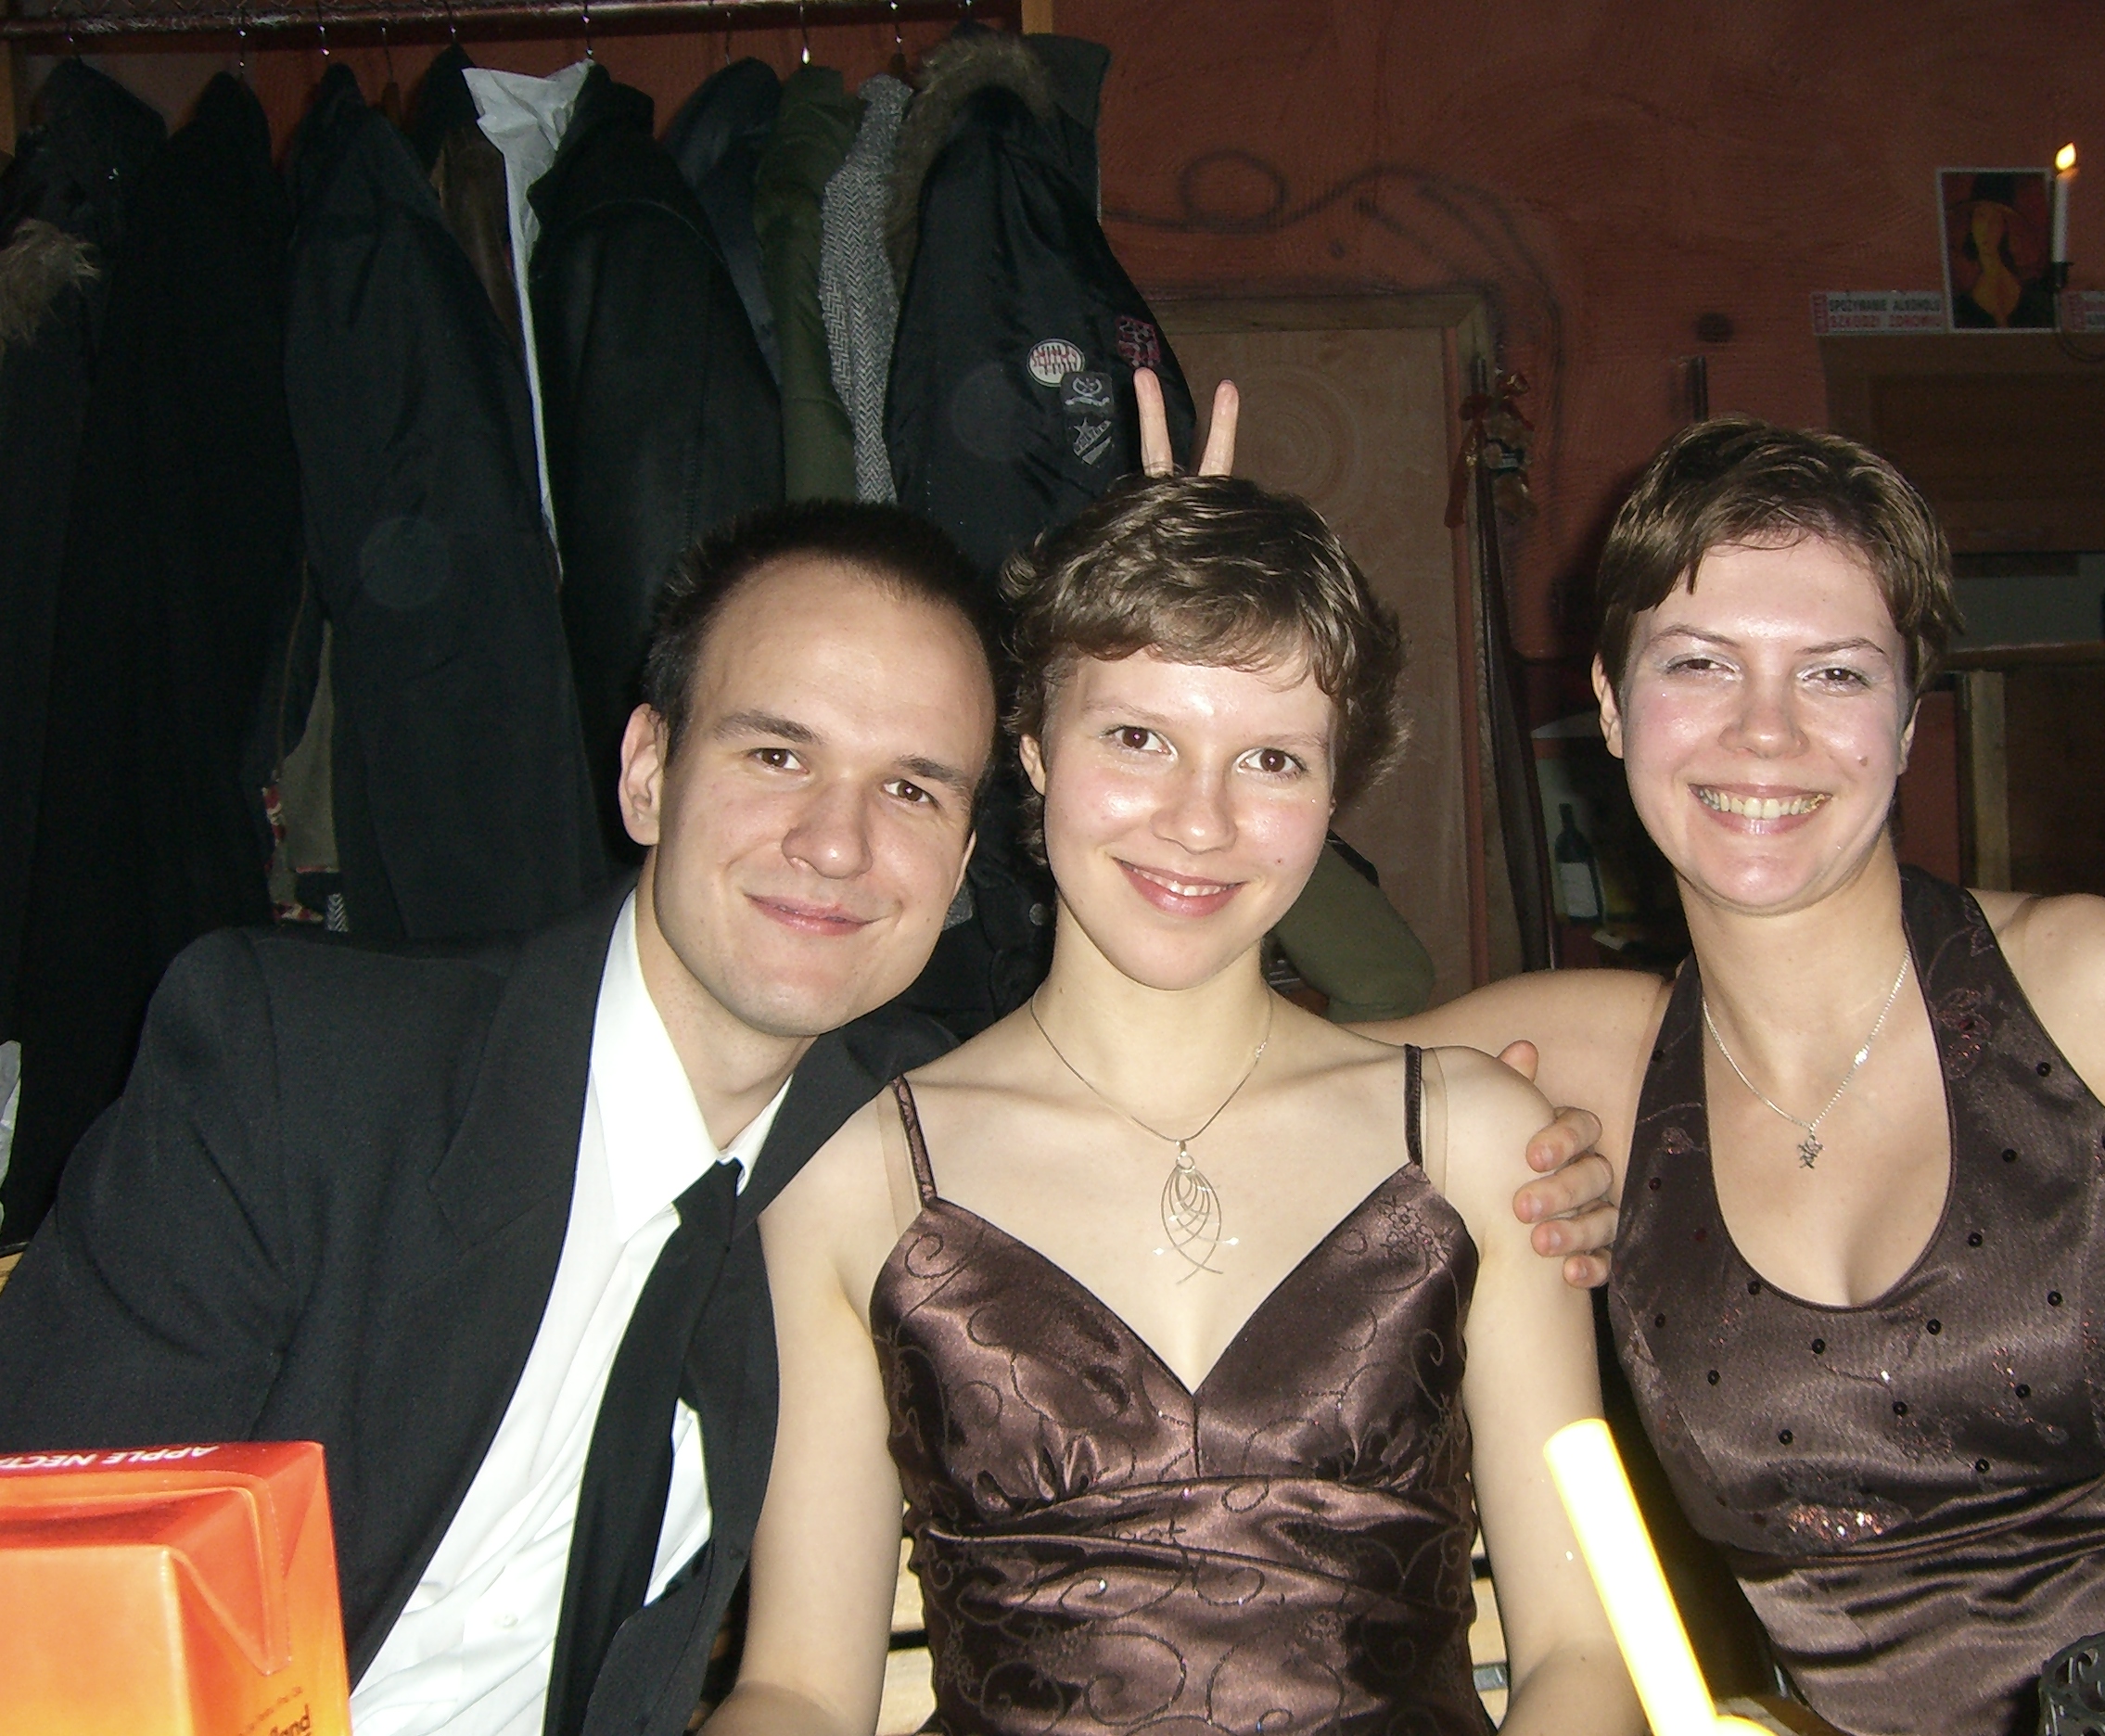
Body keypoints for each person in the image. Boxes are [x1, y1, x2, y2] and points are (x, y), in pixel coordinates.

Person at [0, 481, 1616, 1733]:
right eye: (777, 756)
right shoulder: (325, 1077)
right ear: (646, 770)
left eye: (908, 786)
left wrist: (1473, 1120)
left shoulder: (855, 1138)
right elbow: (44, 1581)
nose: (837, 846)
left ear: (964, 835)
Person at [1383, 417, 2105, 1736]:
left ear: (1909, 720)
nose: (1766, 731)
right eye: (1700, 663)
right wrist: (1189, 623)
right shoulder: (1584, 1062)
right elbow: (1221, 1077)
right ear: (1612, 706)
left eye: (1836, 674)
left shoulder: (2099, 990)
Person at [708, 474, 1642, 1736]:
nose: (1199, 822)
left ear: (1336, 793)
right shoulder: (846, 1178)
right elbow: (799, 1688)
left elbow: (1584, 1649)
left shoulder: (1477, 1142)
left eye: (1270, 759)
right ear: (1034, 750)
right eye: (1138, 739)